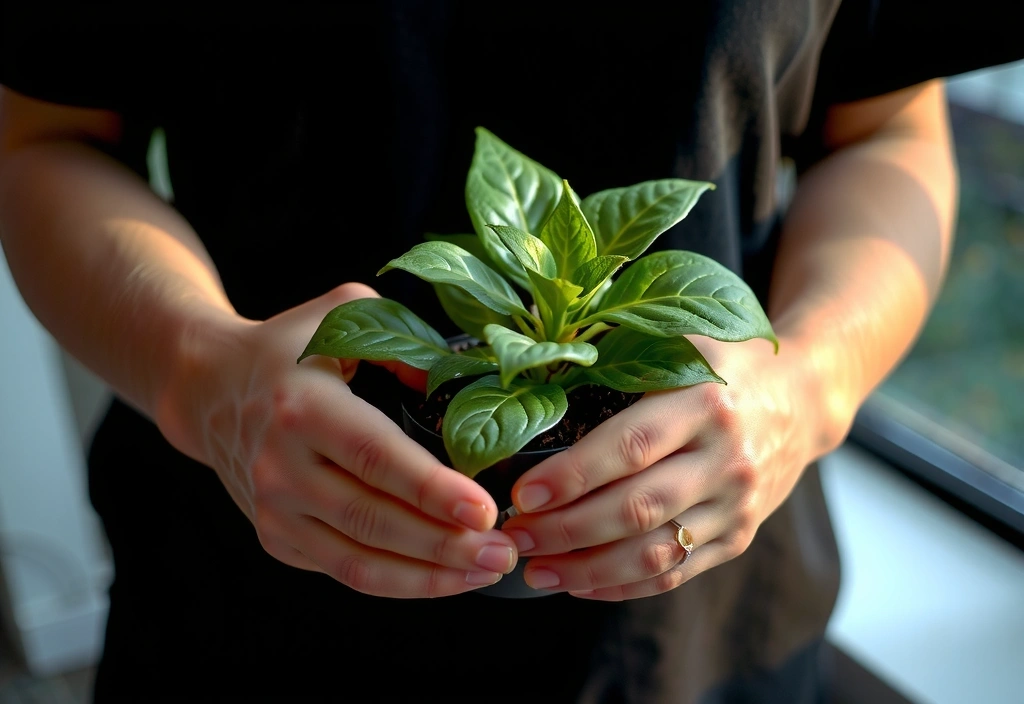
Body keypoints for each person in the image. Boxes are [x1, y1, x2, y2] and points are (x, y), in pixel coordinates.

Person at [0, 3, 1019, 702]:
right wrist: (202, 371)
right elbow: (46, 139)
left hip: (704, 628)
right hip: (252, 607)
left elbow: (887, 127)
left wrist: (810, 380)